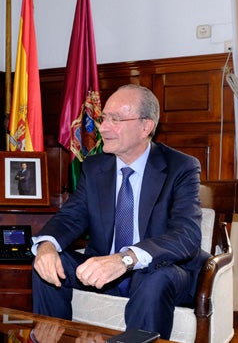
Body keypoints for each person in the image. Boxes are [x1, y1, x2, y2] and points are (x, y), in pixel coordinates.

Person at [31, 84, 209, 339]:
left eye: (115, 119)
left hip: (161, 270)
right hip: (103, 267)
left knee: (154, 280)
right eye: (104, 118)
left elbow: (187, 236)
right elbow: (71, 217)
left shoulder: (180, 167)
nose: (102, 127)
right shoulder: (94, 167)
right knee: (47, 262)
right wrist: (47, 246)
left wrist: (125, 259)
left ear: (145, 127)